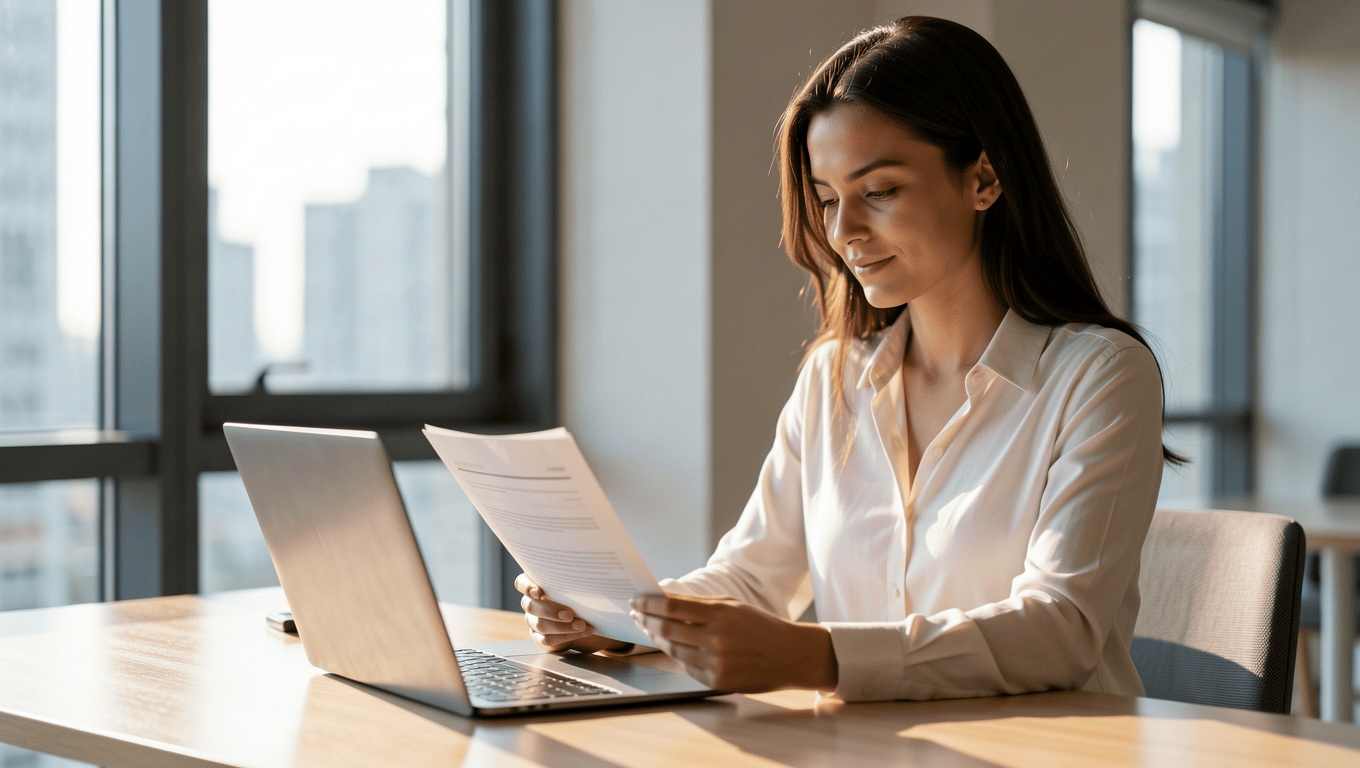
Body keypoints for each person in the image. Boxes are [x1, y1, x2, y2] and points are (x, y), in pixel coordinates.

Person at [517, 16, 1175, 702]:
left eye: (880, 192)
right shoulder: (835, 378)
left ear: (985, 177)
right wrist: (617, 618)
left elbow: (1059, 629)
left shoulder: (1099, 376)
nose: (843, 233)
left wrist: (819, 657)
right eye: (828, 200)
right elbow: (750, 579)